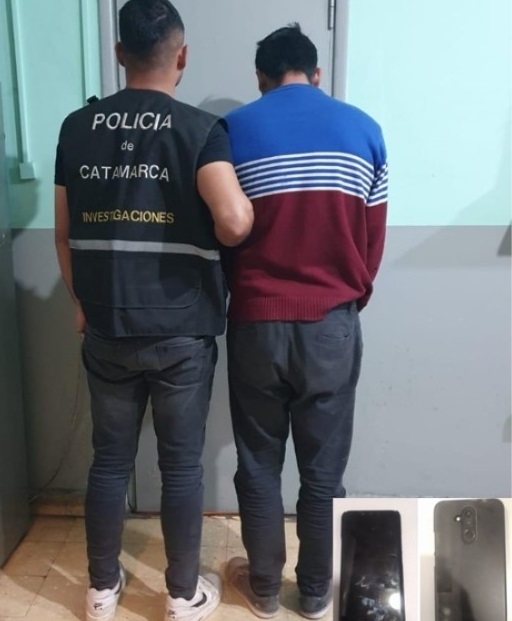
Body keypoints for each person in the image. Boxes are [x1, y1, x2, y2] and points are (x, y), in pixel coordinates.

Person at [54, 1, 253, 620]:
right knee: (181, 467)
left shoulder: (76, 128)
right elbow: (234, 221)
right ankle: (180, 595)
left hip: (106, 324)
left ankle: (100, 591)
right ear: (182, 55)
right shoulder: (199, 130)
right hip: (180, 331)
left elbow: (62, 234)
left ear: (119, 54)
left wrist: (80, 304)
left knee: (109, 462)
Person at [223, 24, 388, 620]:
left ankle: (264, 589)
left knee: (258, 464)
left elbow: (221, 235)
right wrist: (346, 300)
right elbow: (371, 242)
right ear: (317, 75)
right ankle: (316, 592)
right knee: (323, 473)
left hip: (255, 324)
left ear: (260, 79)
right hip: (331, 325)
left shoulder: (231, 131)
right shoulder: (364, 130)